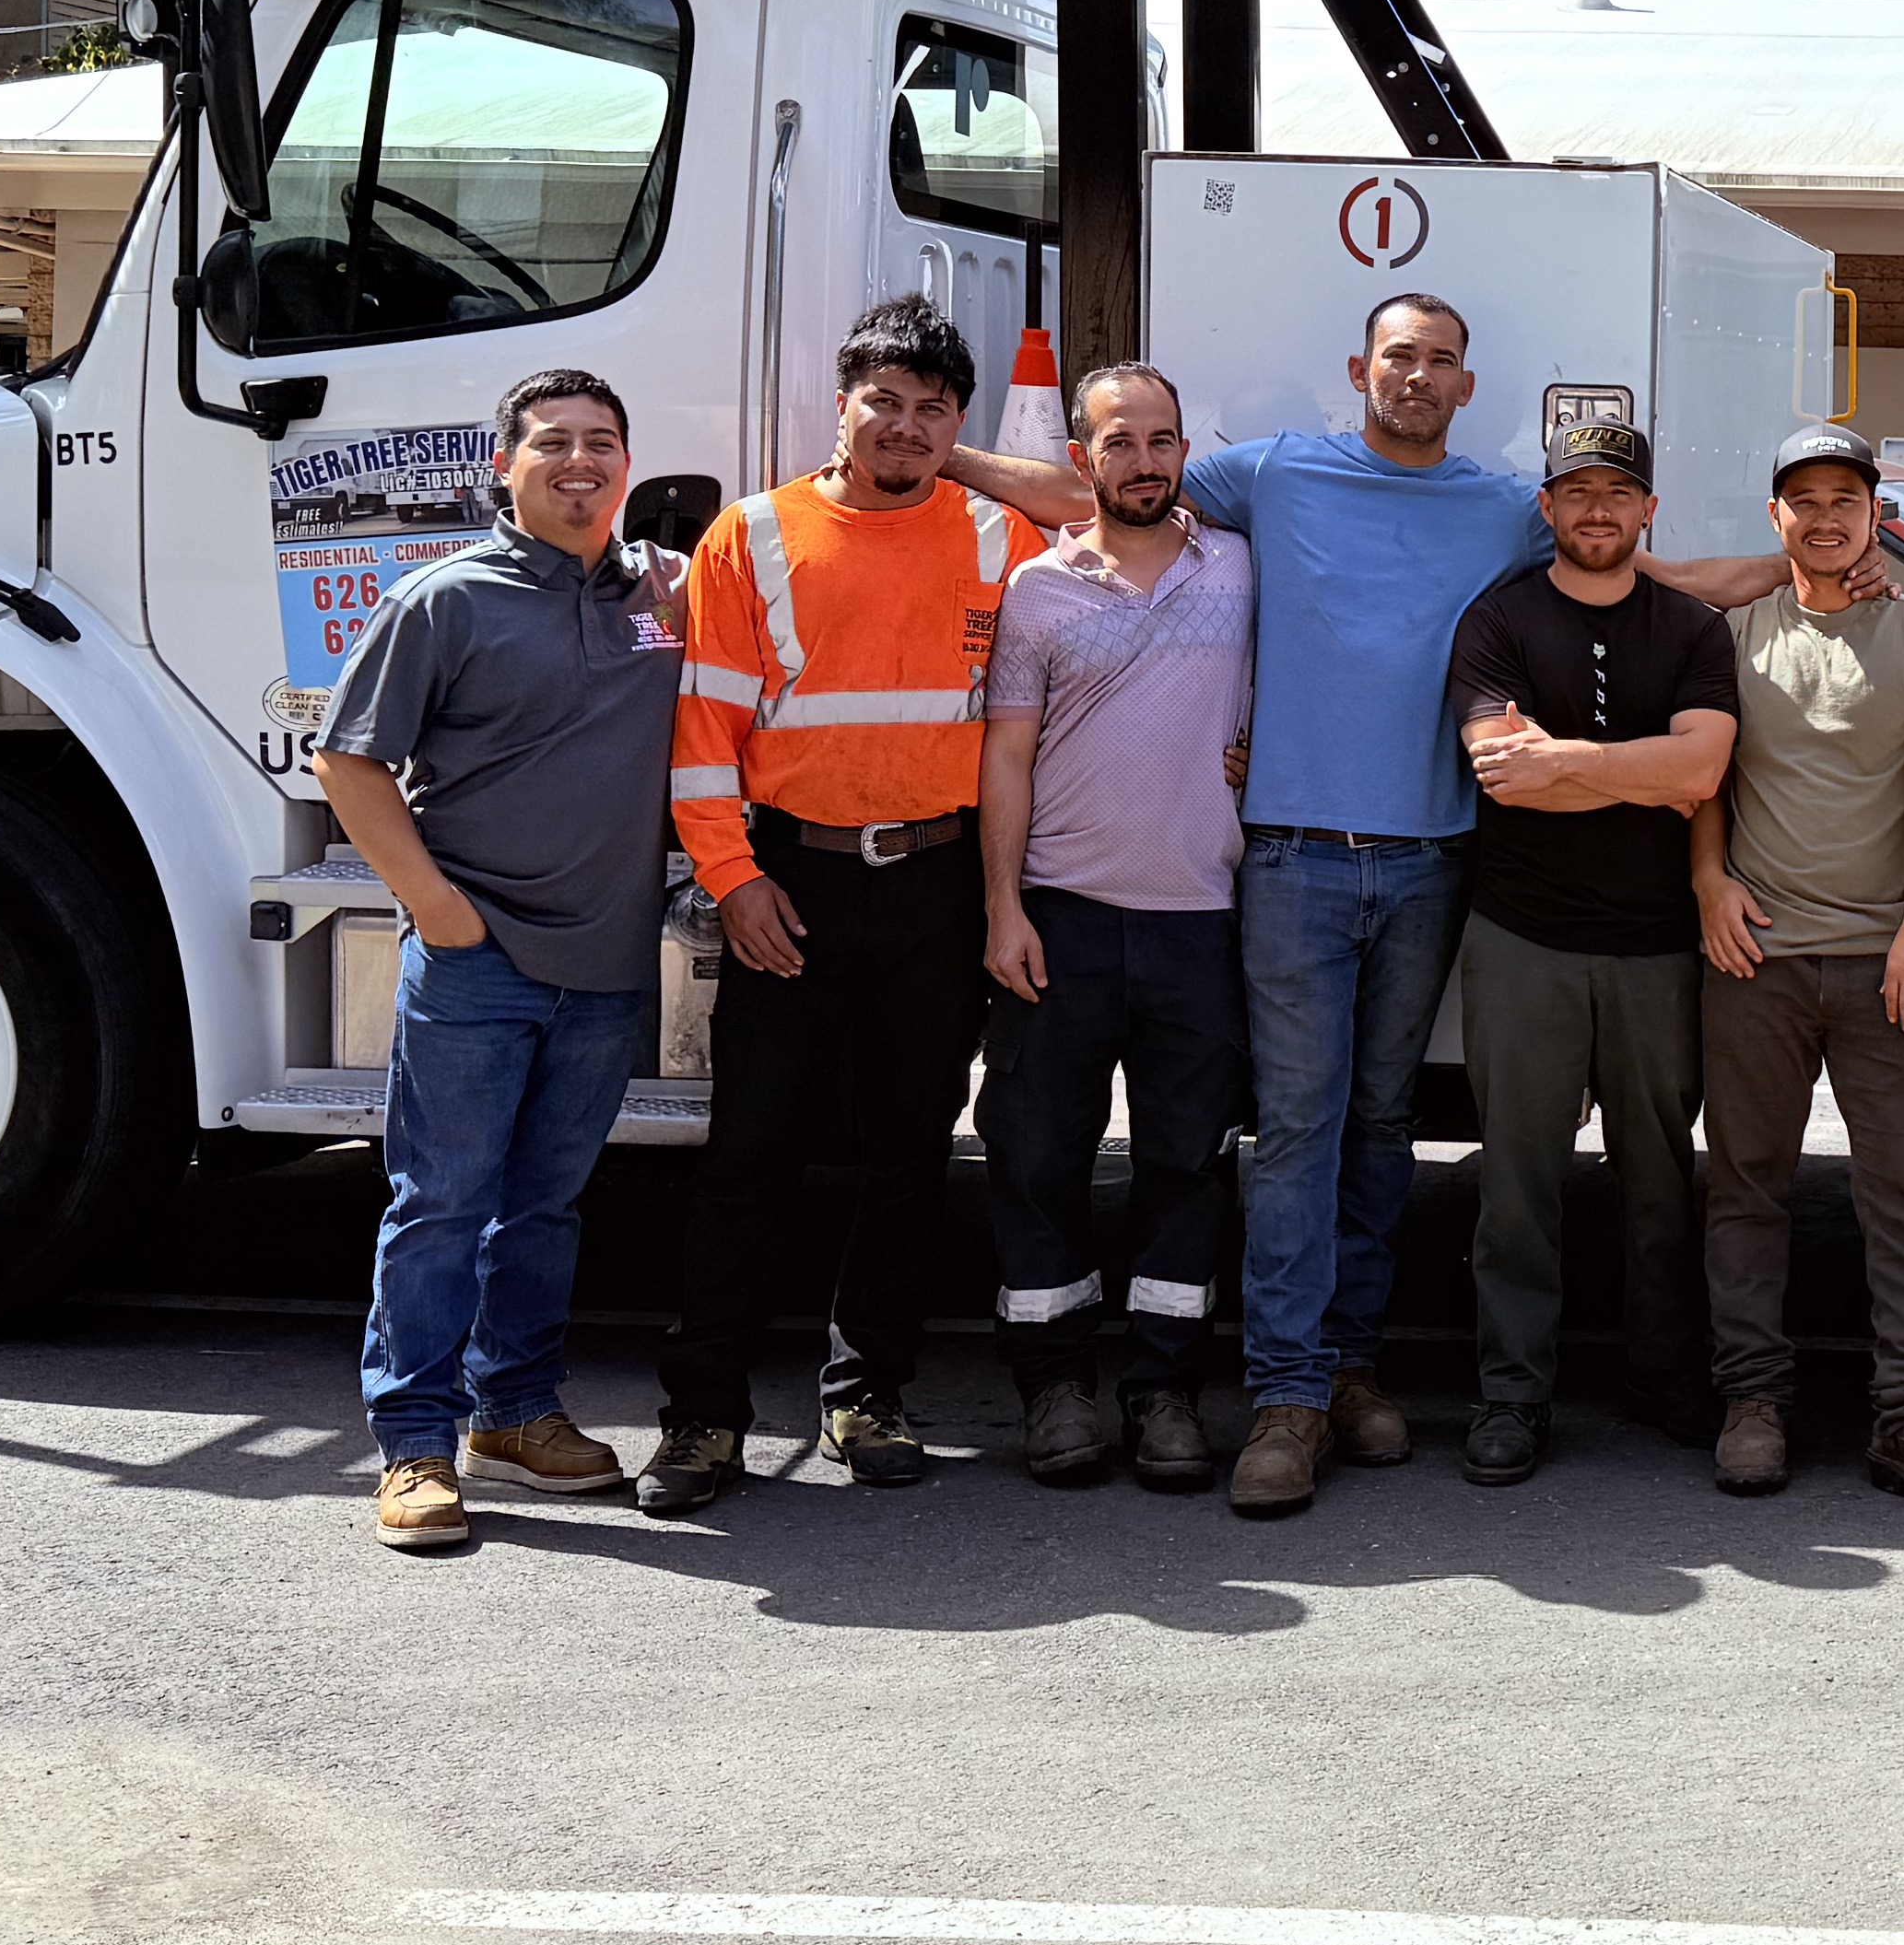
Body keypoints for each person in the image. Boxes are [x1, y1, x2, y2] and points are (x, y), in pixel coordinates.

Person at [1184, 294, 1797, 1520]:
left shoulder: (1600, 576)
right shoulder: (1355, 517)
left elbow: (1688, 745)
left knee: (1403, 1134)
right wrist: (1637, 777)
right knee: (1341, 1141)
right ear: (1362, 368)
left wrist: (1814, 554)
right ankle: (1317, 1394)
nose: (1417, 375)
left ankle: (1387, 1368)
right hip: (1363, 876)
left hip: (1481, 887)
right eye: (1399, 356)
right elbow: (1117, 498)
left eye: (1441, 361)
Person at [642, 297, 1039, 1514]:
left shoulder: (997, 533)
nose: (909, 428)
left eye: (935, 411)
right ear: (843, 404)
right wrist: (733, 880)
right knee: (750, 1157)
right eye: (887, 402)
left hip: (934, 886)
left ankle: (867, 1391)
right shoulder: (751, 538)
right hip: (792, 886)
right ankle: (703, 1418)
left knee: (911, 1159)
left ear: (960, 426)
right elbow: (704, 734)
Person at [314, 367, 682, 1554]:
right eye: (553, 444)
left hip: (604, 962)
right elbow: (350, 764)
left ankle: (515, 1413)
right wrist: (434, 906)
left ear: (627, 465)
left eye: (603, 443)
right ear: (504, 468)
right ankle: (415, 1444)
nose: (581, 462)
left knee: (545, 1206)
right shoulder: (446, 601)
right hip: (478, 963)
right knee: (441, 1206)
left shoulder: (663, 600)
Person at [1694, 422, 1904, 1515]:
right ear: (1777, 518)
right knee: (1746, 1189)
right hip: (1754, 958)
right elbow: (1706, 787)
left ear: (1876, 516)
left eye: (1845, 500)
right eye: (1803, 500)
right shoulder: (1729, 636)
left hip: (1887, 962)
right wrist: (1710, 887)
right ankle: (1753, 1402)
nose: (1825, 517)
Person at [1445, 421, 1741, 1493]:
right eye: (1577, 493)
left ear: (1651, 510)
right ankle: (1512, 1392)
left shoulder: (1695, 629)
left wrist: (1571, 760)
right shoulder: (1501, 618)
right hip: (1523, 939)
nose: (1598, 511)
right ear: (1548, 508)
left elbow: (1705, 769)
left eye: (1619, 493)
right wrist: (1644, 772)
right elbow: (1498, 768)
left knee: (1662, 1179)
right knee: (1518, 1185)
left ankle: (1664, 1374)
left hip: (1659, 947)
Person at [978, 358, 1254, 1499]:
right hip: (1063, 917)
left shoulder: (1239, 568)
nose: (1143, 461)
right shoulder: (1038, 592)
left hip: (1203, 920)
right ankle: (1053, 1389)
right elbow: (1005, 756)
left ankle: (1166, 1393)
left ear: (1185, 452)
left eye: (1163, 441)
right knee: (1037, 1158)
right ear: (1079, 459)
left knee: (1189, 1166)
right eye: (1119, 442)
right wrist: (1003, 909)